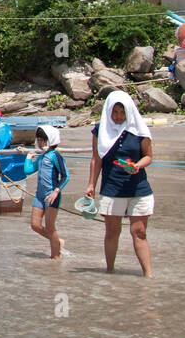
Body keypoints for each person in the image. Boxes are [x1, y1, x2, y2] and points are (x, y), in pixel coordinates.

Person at [85, 91, 154, 277]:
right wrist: (91, 184)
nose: (118, 117)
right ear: (108, 111)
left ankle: (149, 276)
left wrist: (137, 166)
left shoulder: (139, 129)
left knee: (139, 231)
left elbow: (148, 156)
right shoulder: (100, 131)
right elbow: (96, 159)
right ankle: (110, 272)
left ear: (129, 112)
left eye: (122, 113)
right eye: (114, 112)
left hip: (138, 188)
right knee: (112, 232)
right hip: (112, 188)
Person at [26, 125, 68, 259]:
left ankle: (55, 257)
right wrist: (28, 158)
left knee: (50, 227)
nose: (40, 142)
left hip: (51, 195)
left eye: (43, 139)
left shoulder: (55, 156)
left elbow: (65, 176)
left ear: (50, 140)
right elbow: (28, 171)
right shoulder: (42, 156)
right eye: (39, 139)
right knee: (35, 225)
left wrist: (56, 191)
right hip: (39, 195)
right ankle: (57, 241)